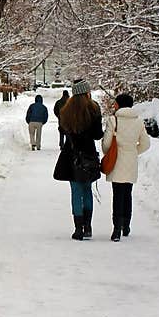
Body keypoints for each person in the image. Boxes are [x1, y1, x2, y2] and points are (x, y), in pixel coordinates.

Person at [53, 79, 104, 240]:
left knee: (75, 191)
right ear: (87, 92)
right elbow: (97, 135)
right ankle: (88, 226)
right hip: (88, 155)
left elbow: (62, 129)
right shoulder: (94, 109)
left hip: (71, 155)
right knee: (87, 189)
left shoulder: (66, 110)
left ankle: (78, 229)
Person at [102, 93, 151, 241]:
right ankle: (126, 226)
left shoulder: (113, 120)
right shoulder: (138, 122)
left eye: (115, 103)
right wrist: (134, 151)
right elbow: (146, 144)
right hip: (131, 161)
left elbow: (106, 144)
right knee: (127, 193)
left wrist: (108, 152)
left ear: (119, 104)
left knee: (117, 194)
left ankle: (116, 229)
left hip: (117, 160)